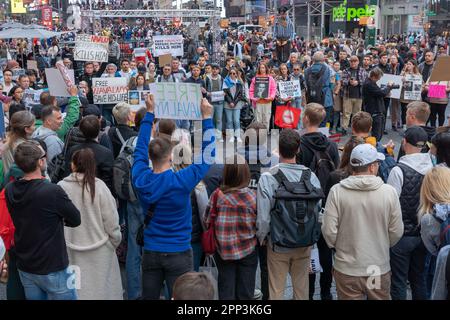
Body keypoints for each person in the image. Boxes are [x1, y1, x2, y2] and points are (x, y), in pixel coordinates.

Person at [131, 95, 215, 300]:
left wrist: (149, 114)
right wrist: (207, 118)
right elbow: (208, 156)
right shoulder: (182, 181)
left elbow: (139, 150)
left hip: (151, 250)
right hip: (179, 251)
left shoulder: (140, 178)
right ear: (170, 156)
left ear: (150, 158)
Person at [322, 143, 404, 300]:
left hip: (347, 268)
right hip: (376, 267)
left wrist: (340, 247)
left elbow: (328, 231)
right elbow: (396, 231)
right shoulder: (388, 192)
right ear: (372, 167)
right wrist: (382, 245)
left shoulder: (337, 192)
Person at [5, 141, 81, 300]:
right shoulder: (51, 191)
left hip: (26, 264)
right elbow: (75, 219)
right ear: (40, 162)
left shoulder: (10, 189)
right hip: (53, 266)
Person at [257, 129, 322, 300]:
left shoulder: (268, 177)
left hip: (278, 241)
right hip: (304, 242)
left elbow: (264, 215)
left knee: (275, 289)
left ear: (278, 148)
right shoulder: (311, 177)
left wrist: (262, 236)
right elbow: (317, 210)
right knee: (301, 289)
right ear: (298, 149)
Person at [58, 148, 122, 300]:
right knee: (103, 291)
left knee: (76, 291)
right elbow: (112, 221)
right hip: (100, 249)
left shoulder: (61, 187)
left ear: (73, 164)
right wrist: (113, 242)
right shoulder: (99, 187)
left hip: (70, 248)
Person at [387, 126, 433, 300]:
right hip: (424, 234)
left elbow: (391, 205)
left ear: (404, 142)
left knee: (398, 281)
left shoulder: (398, 170)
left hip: (402, 235)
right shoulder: (432, 168)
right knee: (418, 279)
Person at [204, 155, 258, 300]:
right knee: (246, 292)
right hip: (248, 249)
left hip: (223, 250)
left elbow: (207, 220)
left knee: (225, 291)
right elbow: (260, 224)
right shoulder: (253, 197)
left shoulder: (217, 196)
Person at [63, 115, 114, 191]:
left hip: (75, 192)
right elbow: (108, 179)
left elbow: (67, 173)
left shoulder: (72, 151)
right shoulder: (106, 153)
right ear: (99, 129)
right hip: (98, 193)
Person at [361, 67, 395, 141]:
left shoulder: (371, 82)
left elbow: (379, 93)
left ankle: (375, 145)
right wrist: (389, 87)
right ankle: (374, 147)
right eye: (378, 78)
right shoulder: (368, 84)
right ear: (373, 76)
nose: (379, 79)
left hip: (376, 111)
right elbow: (381, 93)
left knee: (379, 133)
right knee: (376, 134)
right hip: (374, 112)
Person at [1, 111, 35, 179]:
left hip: (9, 183)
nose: (35, 127)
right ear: (27, 129)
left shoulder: (7, 140)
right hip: (20, 184)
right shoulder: (23, 147)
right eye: (33, 125)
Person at [341, 55, 368, 134]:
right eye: (351, 61)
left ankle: (355, 129)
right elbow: (342, 81)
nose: (353, 63)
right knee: (346, 113)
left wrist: (358, 82)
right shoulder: (346, 70)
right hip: (347, 95)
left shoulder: (363, 71)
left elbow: (366, 81)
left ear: (358, 62)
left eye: (354, 61)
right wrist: (349, 82)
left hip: (359, 95)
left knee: (357, 115)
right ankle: (344, 128)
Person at [249, 63, 276, 130]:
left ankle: (265, 135)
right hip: (258, 102)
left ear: (266, 68)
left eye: (263, 67)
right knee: (258, 120)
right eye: (261, 67)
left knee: (266, 120)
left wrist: (271, 97)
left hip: (267, 102)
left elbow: (273, 89)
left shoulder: (270, 79)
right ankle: (259, 136)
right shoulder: (255, 79)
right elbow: (251, 91)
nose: (262, 69)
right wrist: (254, 98)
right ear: (259, 69)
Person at [223, 67, 247, 144]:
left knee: (236, 120)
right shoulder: (225, 82)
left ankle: (238, 136)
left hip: (237, 104)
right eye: (231, 73)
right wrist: (230, 102)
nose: (232, 75)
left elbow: (240, 95)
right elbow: (225, 94)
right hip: (227, 104)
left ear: (236, 74)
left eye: (234, 73)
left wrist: (234, 102)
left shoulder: (239, 82)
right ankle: (231, 136)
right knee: (229, 121)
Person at [399, 60, 422, 128]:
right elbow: (398, 82)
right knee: (404, 111)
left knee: (414, 112)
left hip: (414, 97)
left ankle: (413, 125)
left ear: (413, 66)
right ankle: (404, 125)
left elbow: (421, 85)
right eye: (407, 64)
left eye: (410, 64)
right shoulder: (403, 73)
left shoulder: (418, 75)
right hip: (404, 96)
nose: (408, 65)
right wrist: (402, 81)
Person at [205, 63, 224, 141]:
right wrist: (207, 93)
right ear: (211, 70)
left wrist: (224, 92)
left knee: (219, 119)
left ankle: (219, 136)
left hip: (219, 102)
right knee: (211, 119)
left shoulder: (221, 78)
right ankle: (211, 136)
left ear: (219, 70)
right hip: (210, 102)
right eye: (213, 69)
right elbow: (204, 89)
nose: (215, 70)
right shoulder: (207, 78)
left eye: (216, 69)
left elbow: (225, 88)